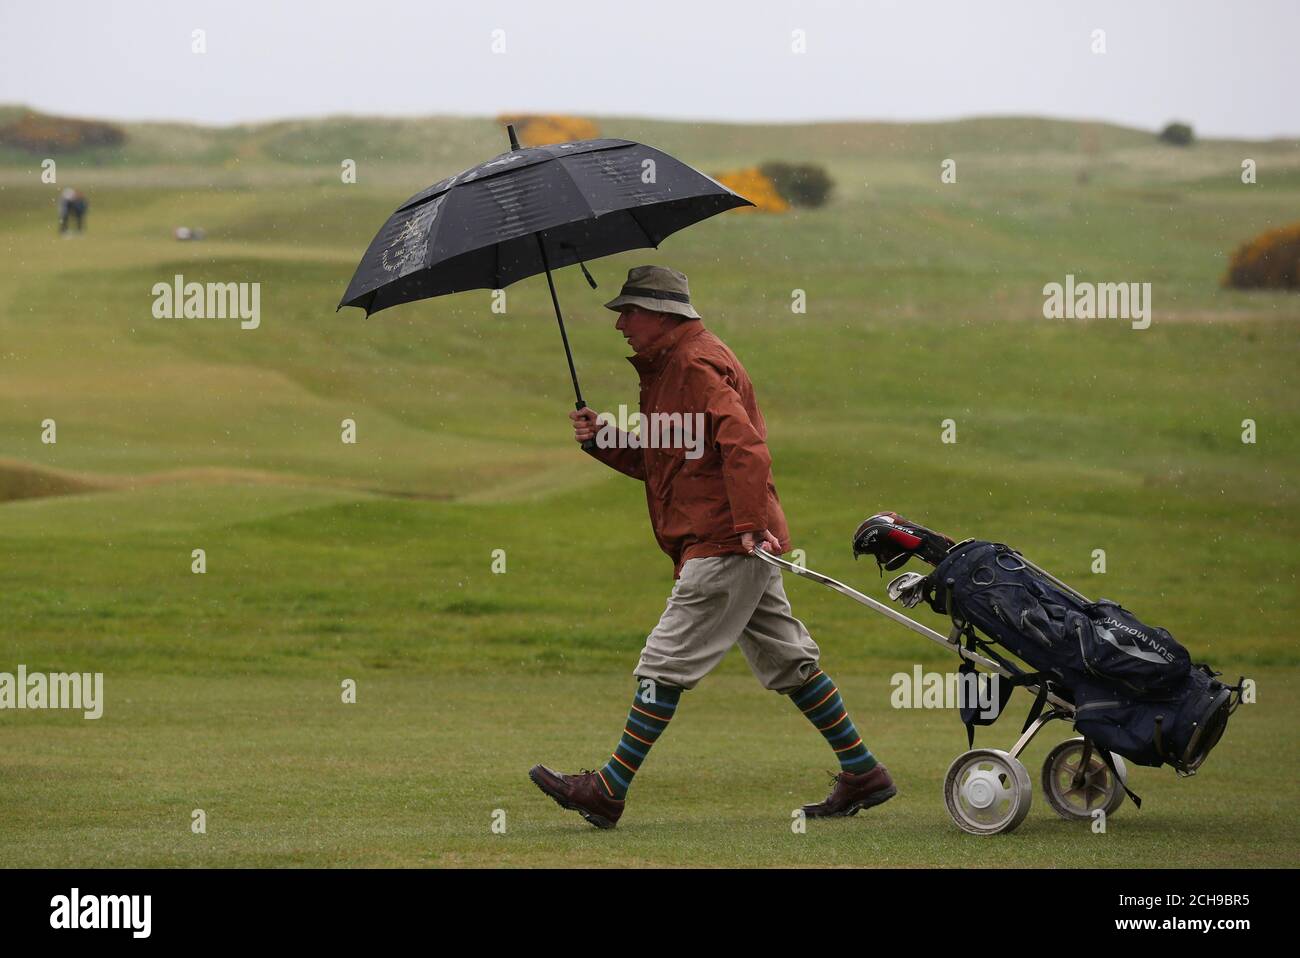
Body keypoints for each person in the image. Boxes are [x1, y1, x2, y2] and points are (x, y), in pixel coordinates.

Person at [528, 265, 896, 828]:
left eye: (630, 312)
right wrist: (603, 438)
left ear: (662, 314)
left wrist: (747, 525)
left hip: (726, 541)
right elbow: (665, 465)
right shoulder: (671, 366)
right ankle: (863, 771)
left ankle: (608, 789)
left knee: (663, 663)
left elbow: (746, 448)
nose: (621, 324)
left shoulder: (693, 364)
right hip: (735, 537)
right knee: (789, 660)